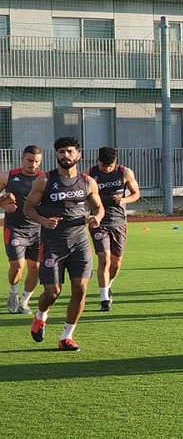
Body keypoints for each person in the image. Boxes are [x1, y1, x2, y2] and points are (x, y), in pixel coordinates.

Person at [24, 137, 104, 351]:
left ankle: (66, 337)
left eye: (69, 151)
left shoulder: (87, 181)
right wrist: (43, 221)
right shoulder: (44, 181)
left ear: (79, 155)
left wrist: (96, 217)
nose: (65, 155)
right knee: (52, 292)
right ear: (56, 155)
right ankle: (40, 316)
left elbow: (99, 207)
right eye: (61, 151)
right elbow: (28, 208)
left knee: (81, 288)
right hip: (53, 244)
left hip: (80, 243)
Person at [88, 147, 141, 311]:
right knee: (104, 258)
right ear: (98, 161)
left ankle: (107, 285)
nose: (107, 169)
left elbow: (136, 194)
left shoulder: (124, 172)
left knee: (116, 263)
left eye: (110, 166)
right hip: (99, 221)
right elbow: (82, 194)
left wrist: (122, 200)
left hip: (119, 222)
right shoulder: (90, 174)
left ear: (115, 162)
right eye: (104, 166)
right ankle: (104, 299)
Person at [0, 145, 44, 314]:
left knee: (35, 268)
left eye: (37, 162)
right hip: (15, 228)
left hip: (38, 230)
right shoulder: (8, 176)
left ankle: (24, 301)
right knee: (18, 265)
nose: (33, 165)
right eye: (29, 161)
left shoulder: (44, 179)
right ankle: (13, 293)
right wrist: (3, 203)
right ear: (22, 159)